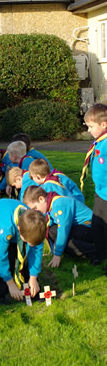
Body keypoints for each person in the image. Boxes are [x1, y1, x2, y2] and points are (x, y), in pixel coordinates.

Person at [0, 199, 45, 304]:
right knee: (9, 257)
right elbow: (0, 256)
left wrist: (34, 277)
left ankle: (31, 289)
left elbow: (36, 252)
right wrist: (10, 283)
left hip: (14, 224)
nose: (31, 244)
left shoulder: (37, 226)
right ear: (19, 230)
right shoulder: (5, 228)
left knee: (26, 256)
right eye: (29, 241)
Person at [23, 186, 99, 268]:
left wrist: (57, 254)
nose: (36, 212)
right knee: (53, 231)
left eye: (35, 208)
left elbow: (63, 230)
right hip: (83, 228)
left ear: (41, 199)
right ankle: (81, 249)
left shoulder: (59, 205)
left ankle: (94, 251)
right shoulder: (52, 204)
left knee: (63, 240)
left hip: (91, 228)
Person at [82, 103, 107, 267]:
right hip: (100, 192)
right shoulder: (99, 141)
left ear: (103, 125)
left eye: (91, 126)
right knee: (97, 225)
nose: (89, 130)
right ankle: (100, 253)